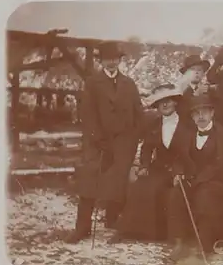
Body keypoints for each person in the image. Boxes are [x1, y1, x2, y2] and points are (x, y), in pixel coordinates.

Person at [64, 41, 144, 244]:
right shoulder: (93, 82)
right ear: (101, 61)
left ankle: (114, 222)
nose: (111, 63)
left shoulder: (129, 83)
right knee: (90, 181)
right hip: (98, 141)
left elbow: (138, 112)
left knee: (118, 182)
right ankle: (82, 228)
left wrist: (134, 136)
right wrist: (98, 138)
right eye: (107, 59)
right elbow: (87, 114)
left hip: (124, 142)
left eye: (115, 59)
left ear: (119, 60)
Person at [166, 95, 223, 265]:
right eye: (196, 113)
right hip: (191, 180)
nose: (201, 116)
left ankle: (201, 246)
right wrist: (178, 172)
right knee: (176, 195)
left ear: (212, 113)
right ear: (192, 116)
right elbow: (177, 158)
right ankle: (179, 243)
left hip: (216, 181)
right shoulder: (186, 134)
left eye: (205, 112)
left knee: (206, 198)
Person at [108, 83, 190, 244]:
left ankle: (167, 235)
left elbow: (190, 152)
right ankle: (127, 230)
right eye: (160, 102)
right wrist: (144, 165)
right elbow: (147, 148)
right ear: (157, 107)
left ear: (175, 102)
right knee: (141, 185)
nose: (165, 105)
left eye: (168, 100)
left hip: (182, 168)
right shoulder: (154, 124)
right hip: (159, 167)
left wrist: (180, 171)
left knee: (167, 190)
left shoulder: (187, 124)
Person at [176, 54, 212, 126]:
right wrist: (196, 95)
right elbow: (181, 113)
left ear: (203, 73)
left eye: (199, 70)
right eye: (192, 69)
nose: (196, 72)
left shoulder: (208, 89)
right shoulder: (179, 91)